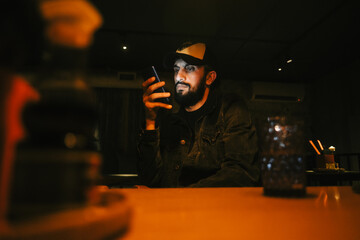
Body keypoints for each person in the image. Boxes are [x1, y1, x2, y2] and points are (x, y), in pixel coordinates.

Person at [137, 42, 260, 187]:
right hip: (170, 207)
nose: (179, 77)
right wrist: (150, 121)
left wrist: (182, 197)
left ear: (209, 78)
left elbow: (241, 173)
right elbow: (149, 178)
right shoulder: (170, 121)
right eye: (176, 69)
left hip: (212, 208)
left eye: (189, 69)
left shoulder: (230, 109)